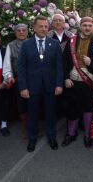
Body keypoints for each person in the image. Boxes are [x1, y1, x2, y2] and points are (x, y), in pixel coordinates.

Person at [18, 16, 64, 152]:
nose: (44, 29)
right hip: (32, 87)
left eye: (45, 26)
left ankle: (51, 137)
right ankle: (32, 138)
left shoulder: (54, 44)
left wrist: (59, 84)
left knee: (51, 113)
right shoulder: (26, 44)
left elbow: (59, 66)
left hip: (50, 86)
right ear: (34, 27)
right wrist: (23, 87)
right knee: (33, 114)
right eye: (40, 26)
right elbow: (21, 68)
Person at [62, 17, 93, 148]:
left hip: (89, 81)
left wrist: (92, 62)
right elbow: (64, 61)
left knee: (88, 108)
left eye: (90, 26)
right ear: (80, 26)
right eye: (85, 25)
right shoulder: (72, 40)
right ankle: (71, 133)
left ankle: (88, 134)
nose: (87, 28)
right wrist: (65, 78)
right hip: (72, 81)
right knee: (72, 108)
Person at [3, 24, 30, 135]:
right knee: (22, 104)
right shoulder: (11, 45)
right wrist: (9, 76)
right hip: (19, 81)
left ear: (27, 32)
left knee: (34, 103)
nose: (21, 32)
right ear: (15, 33)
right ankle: (26, 128)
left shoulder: (33, 43)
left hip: (34, 79)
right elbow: (7, 64)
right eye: (18, 30)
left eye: (24, 30)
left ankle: (33, 126)